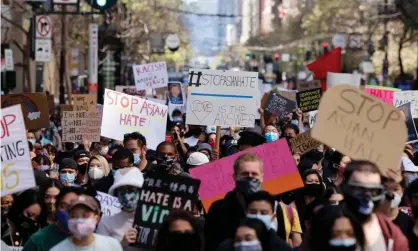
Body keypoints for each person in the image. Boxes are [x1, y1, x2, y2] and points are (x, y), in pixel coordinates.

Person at [342, 160, 408, 251]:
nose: (367, 196)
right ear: (346, 188)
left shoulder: (390, 232)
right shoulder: (327, 222)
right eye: (360, 189)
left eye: (373, 191)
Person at [205, 153, 264, 251]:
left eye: (254, 174)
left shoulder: (274, 208)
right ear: (235, 177)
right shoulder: (218, 209)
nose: (250, 177)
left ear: (261, 177)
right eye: (244, 174)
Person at [217, 191, 293, 251]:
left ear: (273, 217)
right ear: (246, 214)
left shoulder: (281, 247)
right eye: (253, 212)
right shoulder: (227, 246)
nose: (257, 216)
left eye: (264, 213)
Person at [50, 195, 123, 251]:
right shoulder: (57, 249)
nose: (79, 220)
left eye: (85, 216)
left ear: (96, 219)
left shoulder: (112, 246)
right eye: (74, 216)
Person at [23, 186, 85, 251]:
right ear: (57, 207)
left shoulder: (92, 239)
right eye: (63, 206)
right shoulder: (38, 241)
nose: (69, 211)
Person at [96, 167, 144, 251]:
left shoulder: (155, 221)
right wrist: (122, 245)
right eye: (121, 189)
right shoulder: (106, 222)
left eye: (131, 189)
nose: (126, 194)